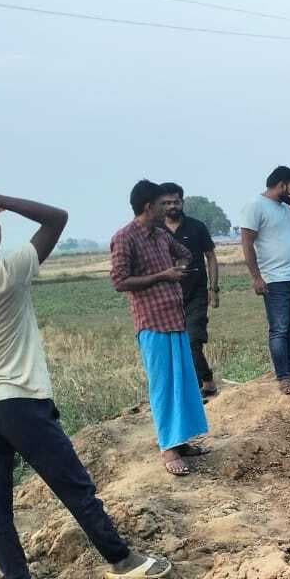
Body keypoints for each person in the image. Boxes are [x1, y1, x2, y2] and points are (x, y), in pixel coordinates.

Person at [0, 193, 170, 579]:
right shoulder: (6, 273)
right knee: (73, 485)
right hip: (18, 399)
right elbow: (57, 218)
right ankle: (121, 559)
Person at [110, 180, 210, 477]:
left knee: (183, 383)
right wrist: (163, 275)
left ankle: (181, 441)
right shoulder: (124, 238)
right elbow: (119, 281)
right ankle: (168, 447)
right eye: (161, 203)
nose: (167, 207)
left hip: (174, 318)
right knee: (164, 386)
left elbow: (187, 253)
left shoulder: (160, 235)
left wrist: (176, 267)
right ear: (148, 207)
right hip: (152, 323)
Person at [239, 166, 290, 394]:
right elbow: (247, 243)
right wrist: (256, 277)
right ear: (282, 185)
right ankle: (283, 376)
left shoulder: (286, 208)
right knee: (279, 329)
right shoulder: (255, 206)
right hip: (275, 279)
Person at [159, 184, 220, 399]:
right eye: (166, 203)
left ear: (182, 202)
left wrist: (213, 289)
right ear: (159, 205)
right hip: (167, 297)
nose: (172, 206)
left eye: (175, 202)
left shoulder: (196, 227)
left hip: (196, 293)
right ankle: (208, 382)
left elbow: (211, 257)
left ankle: (193, 394)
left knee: (193, 340)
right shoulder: (155, 230)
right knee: (176, 345)